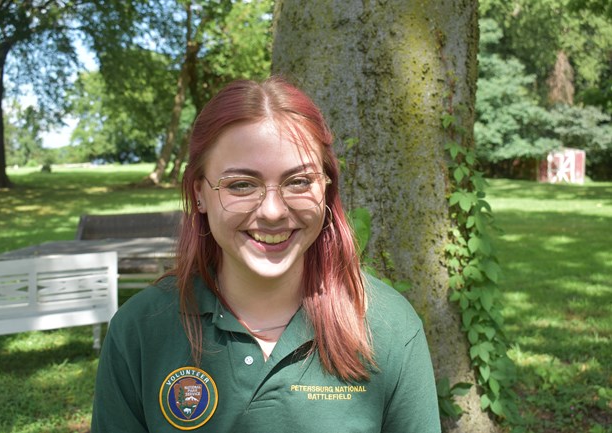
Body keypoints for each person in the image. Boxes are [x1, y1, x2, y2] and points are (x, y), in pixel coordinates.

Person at [91, 77, 441, 432]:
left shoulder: (388, 327)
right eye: (242, 184)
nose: (273, 211)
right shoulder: (141, 331)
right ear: (200, 193)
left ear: (327, 188)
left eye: (299, 181)